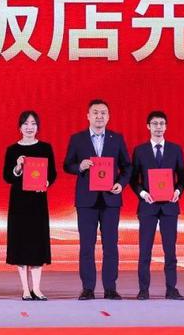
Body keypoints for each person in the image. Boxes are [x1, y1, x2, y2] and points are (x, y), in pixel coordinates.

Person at [63, 99, 131, 300]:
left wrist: (121, 184)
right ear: (88, 116)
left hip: (110, 199)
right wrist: (80, 167)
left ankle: (110, 288)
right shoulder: (78, 139)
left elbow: (127, 167)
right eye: (95, 112)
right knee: (86, 245)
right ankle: (88, 288)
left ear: (108, 117)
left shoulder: (116, 139)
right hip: (86, 201)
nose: (99, 116)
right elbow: (67, 165)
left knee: (110, 246)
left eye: (103, 113)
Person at [130, 111, 184, 300]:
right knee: (145, 250)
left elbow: (183, 178)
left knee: (170, 250)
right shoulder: (140, 151)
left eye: (162, 123)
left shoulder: (175, 149)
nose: (158, 127)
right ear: (148, 126)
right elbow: (133, 179)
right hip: (148, 206)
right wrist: (142, 194)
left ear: (166, 126)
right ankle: (143, 290)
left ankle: (172, 289)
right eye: (154, 123)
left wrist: (178, 191)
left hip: (170, 206)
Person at [3, 110, 57, 301]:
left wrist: (46, 182)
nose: (29, 127)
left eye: (33, 124)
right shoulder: (12, 150)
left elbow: (52, 173)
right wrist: (17, 167)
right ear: (20, 127)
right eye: (25, 124)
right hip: (19, 202)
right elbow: (7, 176)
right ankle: (25, 289)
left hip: (38, 202)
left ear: (38, 127)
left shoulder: (45, 148)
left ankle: (37, 288)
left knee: (37, 243)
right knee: (21, 243)